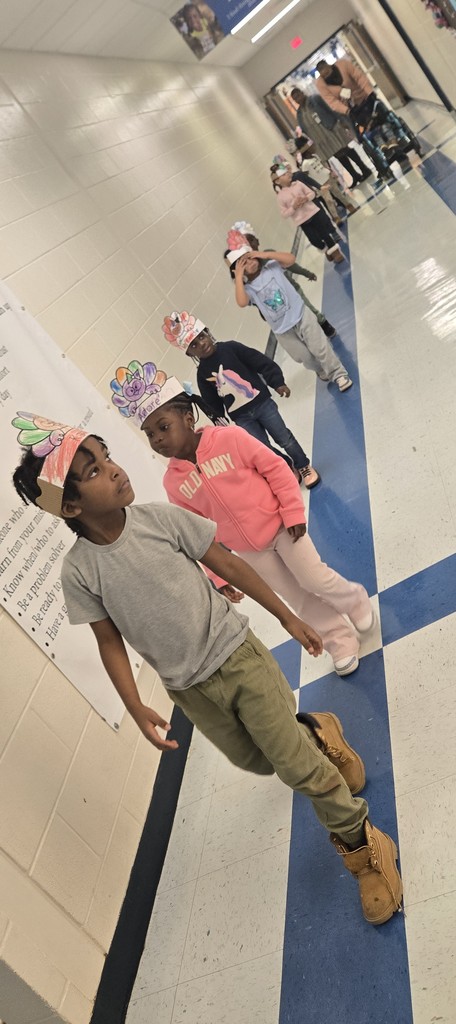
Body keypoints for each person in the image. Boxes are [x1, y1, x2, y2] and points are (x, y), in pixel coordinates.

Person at [12, 407, 403, 926]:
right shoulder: (79, 573)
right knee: (261, 761)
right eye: (94, 471)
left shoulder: (161, 518)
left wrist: (286, 617)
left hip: (237, 656)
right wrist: (135, 706)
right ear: (71, 506)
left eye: (106, 457)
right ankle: (317, 731)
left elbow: (230, 563)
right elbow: (109, 642)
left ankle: (364, 844)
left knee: (295, 768)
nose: (114, 469)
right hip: (191, 690)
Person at [129, 370, 375, 676]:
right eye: (150, 434)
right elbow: (195, 535)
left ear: (188, 419)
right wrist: (218, 577)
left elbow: (276, 468)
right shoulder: (174, 483)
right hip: (249, 552)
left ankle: (354, 599)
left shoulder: (229, 439)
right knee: (296, 598)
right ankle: (339, 640)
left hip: (283, 527)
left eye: (163, 427)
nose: (159, 439)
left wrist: (293, 511)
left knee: (313, 579)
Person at [161, 310, 320, 487]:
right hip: (242, 418)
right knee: (263, 448)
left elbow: (260, 361)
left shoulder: (230, 348)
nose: (201, 344)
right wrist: (218, 421)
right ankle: (287, 467)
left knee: (284, 438)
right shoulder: (202, 374)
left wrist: (277, 381)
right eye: (194, 345)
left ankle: (303, 465)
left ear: (207, 332)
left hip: (263, 404)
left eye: (201, 337)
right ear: (191, 354)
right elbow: (212, 401)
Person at [227, 244, 353, 392]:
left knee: (320, 347)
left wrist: (265, 255)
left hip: (301, 315)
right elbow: (241, 302)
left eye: (250, 258)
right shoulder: (248, 289)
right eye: (244, 264)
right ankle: (320, 369)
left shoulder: (272, 267)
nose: (250, 263)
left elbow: (290, 259)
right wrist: (239, 277)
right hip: (282, 330)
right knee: (304, 357)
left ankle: (338, 374)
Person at [227, 221, 337, 338]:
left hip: (293, 291)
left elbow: (291, 264)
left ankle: (323, 323)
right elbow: (251, 294)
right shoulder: (247, 269)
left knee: (307, 308)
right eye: (246, 242)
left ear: (257, 242)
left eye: (251, 240)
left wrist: (306, 273)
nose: (250, 244)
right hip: (277, 303)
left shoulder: (268, 256)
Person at [289, 86, 373, 187]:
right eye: (295, 99)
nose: (298, 99)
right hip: (319, 137)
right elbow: (304, 129)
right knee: (337, 155)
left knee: (344, 150)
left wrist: (341, 121)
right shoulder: (299, 113)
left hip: (330, 129)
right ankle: (355, 175)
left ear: (302, 93)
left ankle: (365, 169)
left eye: (298, 95)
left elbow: (330, 109)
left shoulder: (314, 99)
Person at [273, 166, 345, 263]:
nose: (288, 174)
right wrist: (293, 207)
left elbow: (312, 193)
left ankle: (336, 253)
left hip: (314, 213)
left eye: (287, 173)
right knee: (314, 240)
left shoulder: (298, 184)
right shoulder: (280, 197)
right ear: (278, 181)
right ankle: (326, 250)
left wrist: (306, 199)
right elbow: (284, 214)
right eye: (284, 175)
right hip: (302, 221)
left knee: (325, 234)